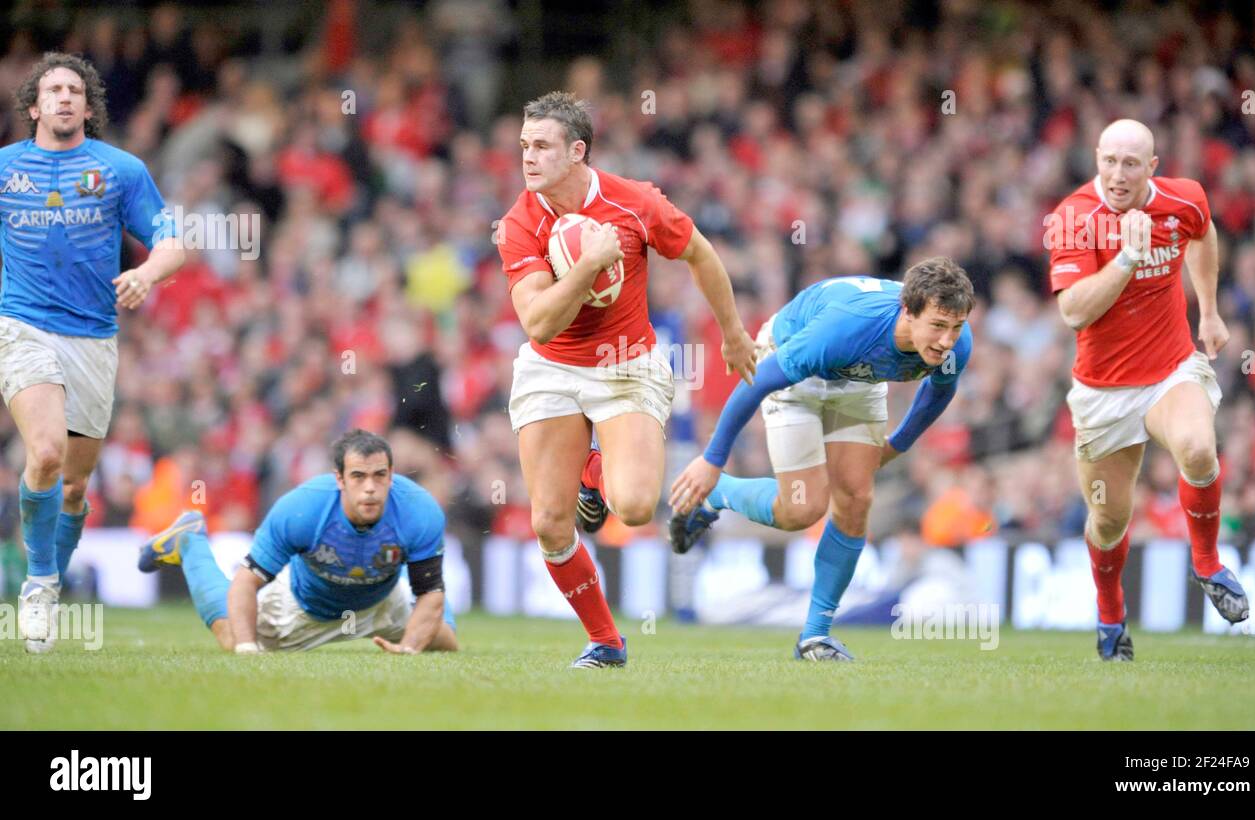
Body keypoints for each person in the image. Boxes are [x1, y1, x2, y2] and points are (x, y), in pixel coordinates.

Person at [497, 91, 756, 667]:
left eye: (541, 146)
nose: (528, 158)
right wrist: (589, 263)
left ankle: (596, 475)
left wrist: (733, 333)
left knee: (636, 507)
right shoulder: (519, 222)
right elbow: (538, 323)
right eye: (523, 146)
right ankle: (607, 642)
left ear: (577, 151)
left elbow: (702, 255)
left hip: (625, 364)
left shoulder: (635, 202)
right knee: (549, 522)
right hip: (553, 365)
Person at [669, 258, 974, 661]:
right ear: (908, 311)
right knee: (801, 509)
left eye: (955, 327)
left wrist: (897, 444)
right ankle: (719, 494)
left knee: (856, 499)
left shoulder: (956, 344)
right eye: (937, 326)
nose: (947, 340)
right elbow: (758, 381)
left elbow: (940, 391)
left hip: (858, 383)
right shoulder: (845, 328)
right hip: (797, 368)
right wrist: (712, 459)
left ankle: (815, 636)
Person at [2, 52, 185, 653]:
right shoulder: (5, 171)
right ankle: (39, 582)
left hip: (93, 337)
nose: (63, 97)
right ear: (33, 105)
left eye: (74, 90)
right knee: (47, 452)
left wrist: (148, 275)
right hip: (21, 324)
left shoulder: (120, 170)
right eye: (52, 89)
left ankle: (54, 571)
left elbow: (172, 239)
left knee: (75, 487)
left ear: (88, 105)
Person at [1048, 118, 1249, 661]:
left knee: (1199, 449)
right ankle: (1111, 615)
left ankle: (1207, 564)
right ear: (1096, 158)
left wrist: (1208, 310)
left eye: (1131, 163)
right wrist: (1128, 259)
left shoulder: (1184, 199)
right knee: (1109, 519)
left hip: (1169, 371)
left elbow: (1204, 233)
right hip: (1102, 391)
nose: (1118, 174)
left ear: (1152, 167)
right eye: (1109, 160)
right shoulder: (1072, 218)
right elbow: (1073, 311)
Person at [138, 430, 459, 654]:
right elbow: (245, 584)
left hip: (383, 599)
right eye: (359, 476)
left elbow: (431, 593)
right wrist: (247, 649)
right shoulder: (302, 509)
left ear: (391, 475)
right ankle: (191, 541)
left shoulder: (420, 510)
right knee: (232, 638)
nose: (370, 487)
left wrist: (409, 648)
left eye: (379, 475)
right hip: (304, 608)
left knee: (445, 641)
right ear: (340, 479)